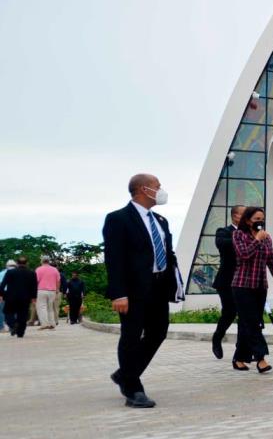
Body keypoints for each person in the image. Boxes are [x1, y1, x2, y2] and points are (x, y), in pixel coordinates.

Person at [104, 173, 180, 408]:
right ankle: (133, 389)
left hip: (158, 286)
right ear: (143, 189)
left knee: (158, 332)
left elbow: (167, 253)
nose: (161, 190)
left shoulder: (161, 220)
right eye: (157, 186)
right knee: (131, 335)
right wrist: (118, 293)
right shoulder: (118, 219)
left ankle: (125, 373)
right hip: (133, 290)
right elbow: (114, 258)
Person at [231, 207, 273, 373]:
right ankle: (261, 358)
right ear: (248, 221)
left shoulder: (267, 238)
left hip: (260, 286)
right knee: (253, 322)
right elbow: (244, 254)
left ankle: (239, 358)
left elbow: (271, 261)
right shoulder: (239, 235)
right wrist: (256, 240)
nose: (260, 222)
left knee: (247, 323)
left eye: (262, 219)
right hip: (242, 285)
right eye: (256, 219)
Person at [211, 205, 245, 360]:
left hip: (244, 281)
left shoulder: (251, 233)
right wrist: (243, 238)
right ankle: (217, 337)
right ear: (235, 216)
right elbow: (223, 245)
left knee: (244, 315)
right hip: (226, 281)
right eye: (244, 214)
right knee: (230, 312)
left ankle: (242, 349)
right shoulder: (223, 232)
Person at [0, 257, 37, 338]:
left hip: (11, 296)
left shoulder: (10, 272)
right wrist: (34, 297)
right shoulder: (32, 273)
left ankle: (13, 325)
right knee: (23, 314)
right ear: (26, 263)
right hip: (25, 297)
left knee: (8, 313)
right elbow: (34, 286)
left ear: (17, 263)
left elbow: (3, 284)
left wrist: (1, 294)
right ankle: (20, 332)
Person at [35, 256, 61, 330]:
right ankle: (52, 324)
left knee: (42, 307)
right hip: (52, 291)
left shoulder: (38, 269)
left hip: (41, 290)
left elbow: (36, 281)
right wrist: (57, 289)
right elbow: (58, 280)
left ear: (42, 261)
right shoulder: (55, 270)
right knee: (50, 308)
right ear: (49, 261)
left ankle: (45, 324)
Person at [0, 260, 13, 333]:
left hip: (4, 293)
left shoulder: (1, 273)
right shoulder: (18, 272)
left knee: (1, 310)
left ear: (6, 266)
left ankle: (1, 327)